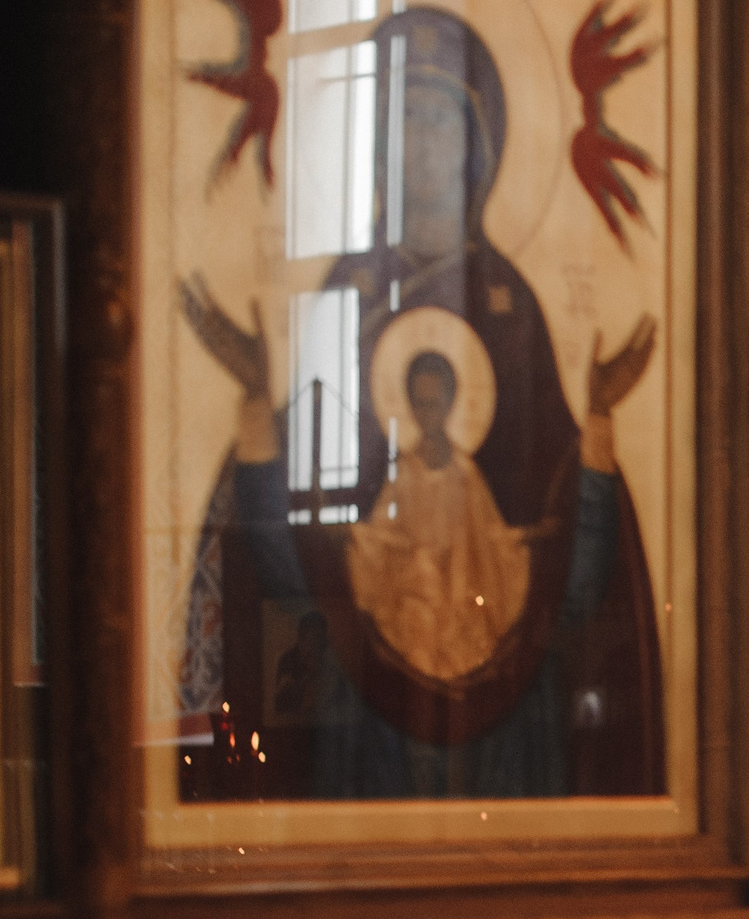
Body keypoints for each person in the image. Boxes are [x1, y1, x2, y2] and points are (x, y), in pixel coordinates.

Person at [177, 6, 667, 801]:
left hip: (511, 702)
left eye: (440, 117)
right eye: (402, 117)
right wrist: (258, 401)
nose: (421, 141)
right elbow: (292, 554)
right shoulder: (346, 292)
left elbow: (573, 574)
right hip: (364, 693)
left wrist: (601, 423)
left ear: (479, 145)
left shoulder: (511, 304)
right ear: (375, 140)